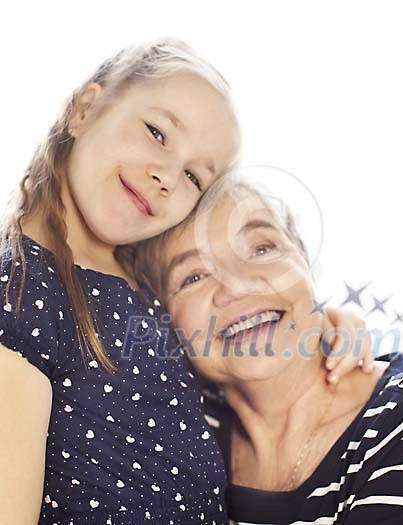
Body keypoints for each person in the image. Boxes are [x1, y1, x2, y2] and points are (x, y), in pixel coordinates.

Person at [0, 37, 372, 524]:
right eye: (157, 132)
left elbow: (231, 344)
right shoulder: (20, 296)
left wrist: (324, 328)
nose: (167, 177)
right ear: (85, 109)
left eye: (195, 176)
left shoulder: (142, 285)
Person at [147, 175, 403, 524]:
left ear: (307, 266)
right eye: (193, 276)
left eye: (262, 248)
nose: (236, 286)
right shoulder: (179, 430)